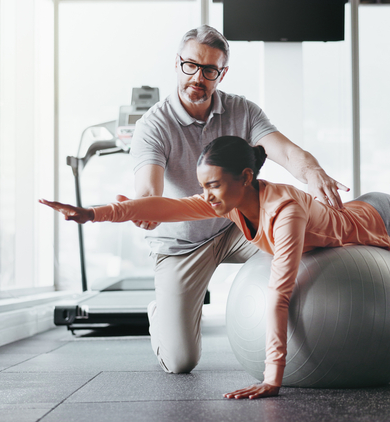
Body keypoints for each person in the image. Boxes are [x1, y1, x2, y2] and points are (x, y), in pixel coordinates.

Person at [41, 128, 390, 399]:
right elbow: (169, 204)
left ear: (244, 179)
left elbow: (281, 295)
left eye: (213, 186)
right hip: (350, 258)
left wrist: (272, 379)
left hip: (376, 221)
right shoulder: (230, 200)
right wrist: (94, 212)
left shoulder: (282, 212)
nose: (205, 198)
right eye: (204, 187)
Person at [129, 25, 347, 375]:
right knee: (181, 361)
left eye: (209, 70)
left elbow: (287, 152)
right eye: (190, 66)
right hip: (181, 244)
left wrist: (313, 173)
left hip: (235, 226)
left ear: (222, 73)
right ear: (178, 63)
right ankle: (163, 312)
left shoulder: (242, 111)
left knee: (312, 245)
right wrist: (145, 210)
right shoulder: (153, 125)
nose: (198, 77)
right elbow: (148, 190)